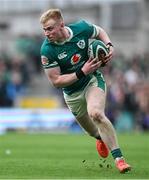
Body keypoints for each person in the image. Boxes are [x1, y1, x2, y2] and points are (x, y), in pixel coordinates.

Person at [39, 8, 131, 173]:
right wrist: (81, 71)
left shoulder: (81, 28)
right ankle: (99, 138)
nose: (47, 33)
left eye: (50, 28)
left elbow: (99, 31)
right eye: (44, 29)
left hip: (91, 81)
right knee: (92, 131)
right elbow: (56, 81)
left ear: (61, 25)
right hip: (71, 94)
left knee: (96, 113)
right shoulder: (47, 50)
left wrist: (109, 45)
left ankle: (120, 160)